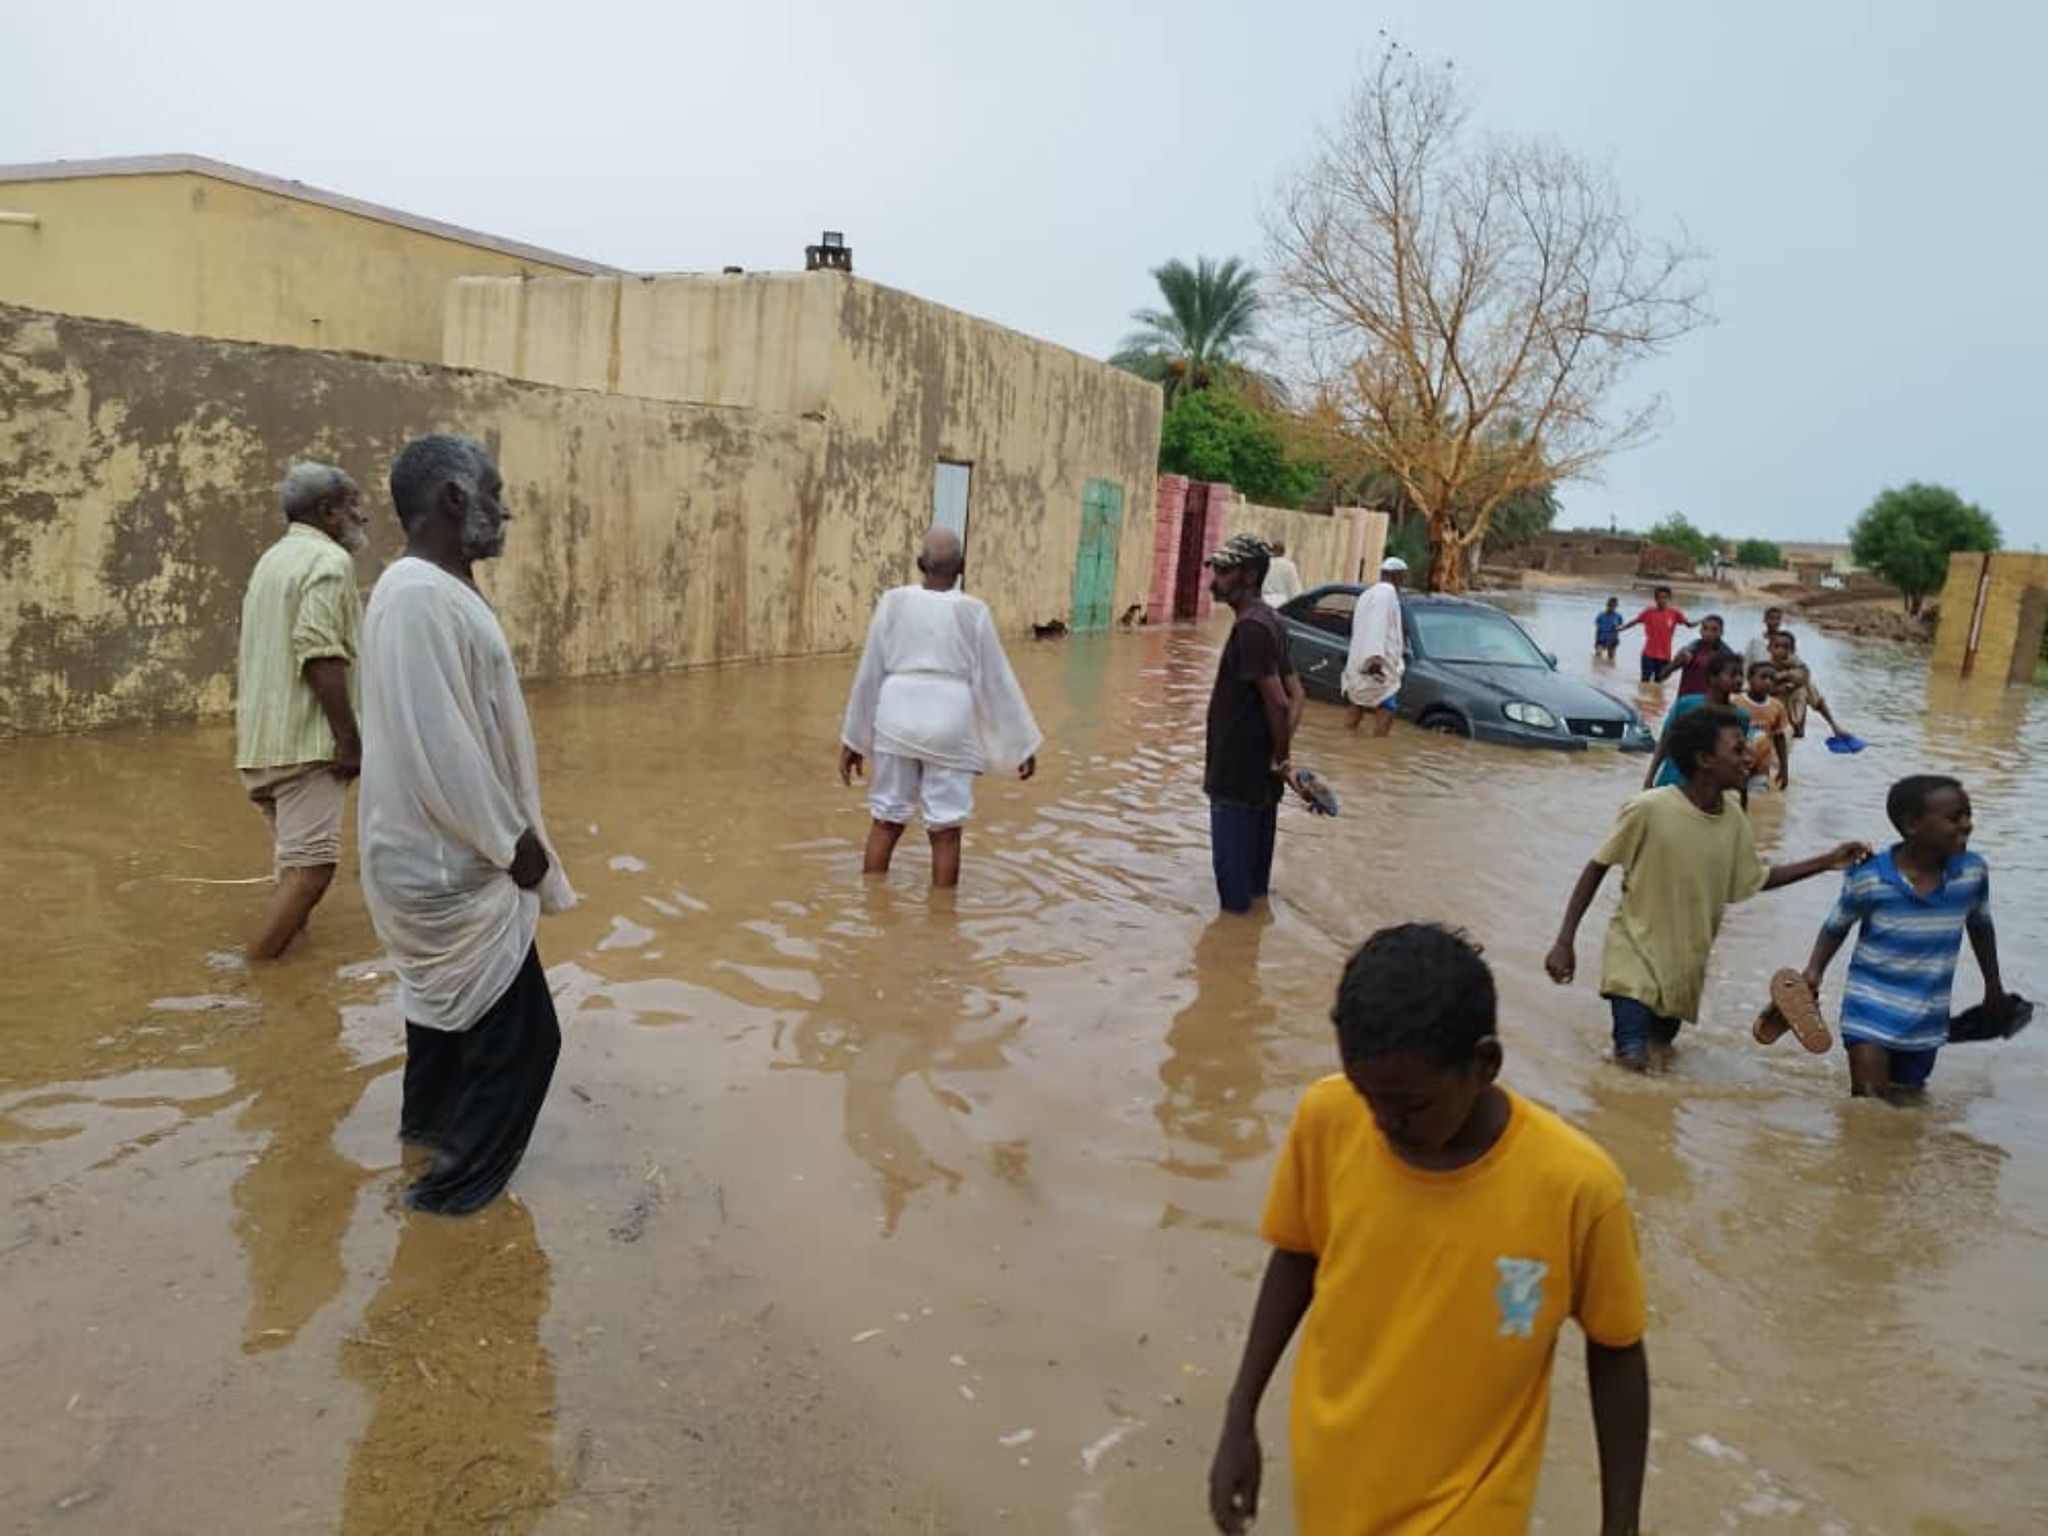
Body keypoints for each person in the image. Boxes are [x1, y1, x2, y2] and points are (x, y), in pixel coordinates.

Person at [1208, 924, 1649, 1536]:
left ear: (1484, 1064)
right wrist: (1239, 1415)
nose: (1385, 1122)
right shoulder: (1329, 1119)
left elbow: (1617, 1350)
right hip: (1334, 1480)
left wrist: (1620, 1525)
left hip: (1473, 1507)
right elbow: (1297, 1257)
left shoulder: (1577, 1188)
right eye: (1369, 1096)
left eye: (1411, 1105)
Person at [358, 435, 576, 1215]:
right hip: (452, 859)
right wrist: (512, 844)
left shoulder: (433, 589)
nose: (505, 505)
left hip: (439, 851)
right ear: (454, 498)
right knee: (526, 1044)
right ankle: (446, 1202)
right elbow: (439, 742)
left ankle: (424, 1143)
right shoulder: (418, 595)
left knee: (445, 1026)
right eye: (494, 489)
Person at [1547, 706, 1869, 1069]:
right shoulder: (1649, 809)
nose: (1749, 756)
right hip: (1632, 956)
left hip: (1684, 970)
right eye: (1737, 749)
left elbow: (1755, 880)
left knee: (1659, 1059)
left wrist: (1826, 861)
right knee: (1632, 1059)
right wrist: (1564, 941)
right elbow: (1597, 867)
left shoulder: (1733, 817)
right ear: (1704, 760)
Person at [838, 527, 1041, 888]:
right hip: (950, 721)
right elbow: (996, 681)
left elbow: (869, 672)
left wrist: (853, 739)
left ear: (920, 564)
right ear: (961, 566)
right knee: (946, 830)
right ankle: (944, 923)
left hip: (896, 718)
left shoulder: (893, 602)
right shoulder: (973, 611)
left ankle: (870, 909)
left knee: (886, 819)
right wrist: (1020, 744)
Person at [1798, 776, 2007, 1100]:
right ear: (1911, 825)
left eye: (1968, 815)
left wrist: (1993, 986)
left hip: (1926, 1017)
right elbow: (1835, 926)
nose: (1966, 825)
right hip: (1868, 1009)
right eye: (1954, 818)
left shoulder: (1972, 874)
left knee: (1905, 1105)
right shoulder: (1869, 878)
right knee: (1868, 1105)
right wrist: (1814, 971)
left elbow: (1981, 927)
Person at [234, 462, 371, 960]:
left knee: (294, 870)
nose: (365, 515)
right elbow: (318, 651)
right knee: (314, 872)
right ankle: (252, 971)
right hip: (307, 744)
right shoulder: (329, 563)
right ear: (328, 512)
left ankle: (292, 992)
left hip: (260, 745)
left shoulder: (272, 561)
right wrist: (349, 741)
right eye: (355, 504)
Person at [1202, 534, 1305, 915]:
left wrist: (1281, 758)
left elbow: (1279, 703)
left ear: (1249, 575)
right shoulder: (1272, 621)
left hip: (1236, 777)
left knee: (1233, 904)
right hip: (1260, 778)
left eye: (1225, 571)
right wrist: (1278, 761)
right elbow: (1298, 697)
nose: (1215, 580)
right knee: (1255, 896)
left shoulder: (1252, 628)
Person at [1642, 651, 1748, 791]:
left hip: (1710, 788)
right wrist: (1649, 778)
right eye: (1733, 675)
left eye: (1741, 675)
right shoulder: (1686, 704)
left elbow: (1737, 757)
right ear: (1713, 678)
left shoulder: (1741, 717)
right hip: (1672, 780)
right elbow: (1665, 741)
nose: (1739, 680)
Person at [1341, 556, 1407, 735]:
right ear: (1398, 575)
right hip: (1377, 665)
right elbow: (1377, 627)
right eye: (1403, 576)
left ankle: (1348, 742)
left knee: (1358, 703)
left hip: (1360, 661)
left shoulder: (1368, 594)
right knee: (1386, 710)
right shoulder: (1387, 593)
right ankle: (1377, 748)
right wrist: (1374, 660)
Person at [1767, 630, 1848, 741]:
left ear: (1792, 650)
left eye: (1785, 647)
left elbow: (1818, 702)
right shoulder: (1762, 670)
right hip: (1765, 721)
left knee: (1803, 687)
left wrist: (1834, 726)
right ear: (1769, 648)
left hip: (1788, 724)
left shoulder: (1800, 674)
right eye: (1777, 646)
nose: (1780, 650)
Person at [1617, 586, 1692, 683]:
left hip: (1665, 656)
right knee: (1644, 682)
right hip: (1648, 654)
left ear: (1669, 598)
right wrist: (1621, 628)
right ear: (1655, 599)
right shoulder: (1648, 612)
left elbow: (1689, 624)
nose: (1661, 600)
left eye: (1664, 597)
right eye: (1659, 598)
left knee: (1659, 682)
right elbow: (1635, 621)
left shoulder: (1675, 613)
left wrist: (1703, 621)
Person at [1740, 660, 1790, 792]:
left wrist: (1784, 769)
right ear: (1750, 679)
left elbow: (1779, 737)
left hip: (1761, 768)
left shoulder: (1777, 706)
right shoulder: (1736, 701)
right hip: (1736, 765)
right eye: (1763, 677)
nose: (1768, 682)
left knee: (1757, 801)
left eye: (1772, 679)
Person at [1661, 614, 1739, 696]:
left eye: (1714, 630)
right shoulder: (1688, 652)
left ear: (1721, 632)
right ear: (1700, 630)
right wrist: (1675, 663)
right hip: (1686, 702)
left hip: (1711, 705)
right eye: (1705, 628)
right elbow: (1662, 676)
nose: (1708, 633)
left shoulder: (1727, 656)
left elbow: (1736, 688)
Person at [1261, 537, 1304, 606]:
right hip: (1282, 603)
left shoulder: (1263, 563)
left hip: (1264, 602)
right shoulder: (1289, 565)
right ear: (1283, 551)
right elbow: (1295, 590)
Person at [1594, 596, 1624, 661]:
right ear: (1606, 605)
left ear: (1616, 606)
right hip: (1601, 639)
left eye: (1613, 606)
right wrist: (1596, 640)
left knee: (1611, 658)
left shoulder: (1618, 616)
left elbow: (1621, 627)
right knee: (1597, 656)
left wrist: (1617, 628)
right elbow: (1597, 628)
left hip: (1613, 640)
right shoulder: (1601, 615)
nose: (1611, 607)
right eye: (1609, 605)